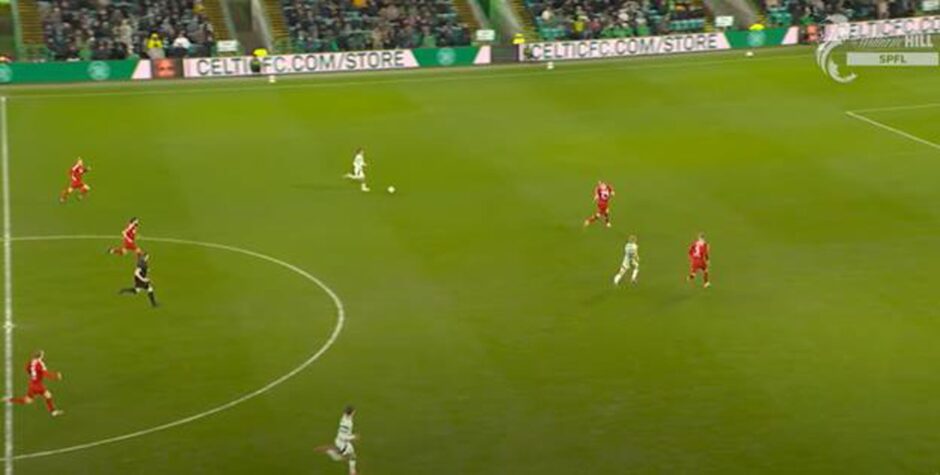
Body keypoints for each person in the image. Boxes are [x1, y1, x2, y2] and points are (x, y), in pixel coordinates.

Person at [7, 350, 65, 417]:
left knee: (28, 400)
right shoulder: (40, 363)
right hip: (38, 385)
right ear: (40, 356)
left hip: (32, 384)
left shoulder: (31, 361)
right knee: (48, 395)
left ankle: (9, 399)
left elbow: (27, 368)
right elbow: (45, 374)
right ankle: (53, 412)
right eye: (42, 354)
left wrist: (32, 374)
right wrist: (56, 376)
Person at [316, 405, 359, 475]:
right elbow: (342, 435)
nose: (354, 413)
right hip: (342, 443)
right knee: (342, 457)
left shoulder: (345, 417)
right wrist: (353, 437)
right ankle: (329, 451)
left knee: (351, 455)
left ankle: (352, 471)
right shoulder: (347, 423)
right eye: (354, 412)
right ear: (351, 413)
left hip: (342, 441)